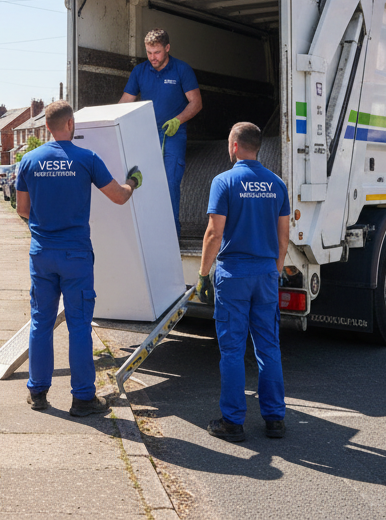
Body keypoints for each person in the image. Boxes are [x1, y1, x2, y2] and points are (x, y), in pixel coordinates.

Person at [16, 101, 143, 416]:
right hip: (76, 256)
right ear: (71, 124)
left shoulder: (28, 161)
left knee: (41, 323)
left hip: (42, 253)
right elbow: (119, 197)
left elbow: (21, 209)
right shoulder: (87, 159)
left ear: (47, 126)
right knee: (79, 326)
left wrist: (45, 227)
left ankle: (38, 393)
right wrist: (133, 182)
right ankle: (83, 398)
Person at [198, 122, 289, 442]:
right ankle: (275, 419)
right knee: (268, 347)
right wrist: (274, 271)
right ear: (257, 147)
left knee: (233, 350)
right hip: (265, 275)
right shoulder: (277, 184)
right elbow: (283, 239)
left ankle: (233, 422)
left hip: (233, 275)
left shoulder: (223, 182)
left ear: (234, 146)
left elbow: (214, 233)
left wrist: (203, 274)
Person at [119, 28, 201, 234]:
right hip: (146, 134)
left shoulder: (181, 70)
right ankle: (148, 233)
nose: (152, 57)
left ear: (167, 48)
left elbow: (196, 103)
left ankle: (171, 234)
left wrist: (177, 120)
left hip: (173, 134)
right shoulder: (139, 71)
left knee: (170, 181)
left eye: (156, 52)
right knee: (143, 181)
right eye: (148, 52)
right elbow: (124, 103)